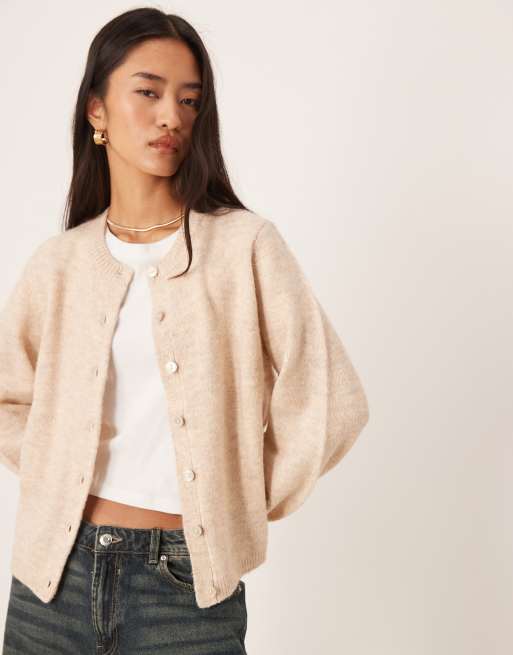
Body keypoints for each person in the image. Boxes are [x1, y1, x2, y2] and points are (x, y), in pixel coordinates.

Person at [0, 7, 370, 654]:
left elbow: (332, 401)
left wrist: (236, 499)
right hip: (50, 584)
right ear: (96, 110)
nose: (171, 116)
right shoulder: (59, 263)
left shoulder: (243, 246)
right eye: (148, 92)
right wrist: (56, 472)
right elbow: (9, 396)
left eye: (189, 100)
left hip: (185, 588)